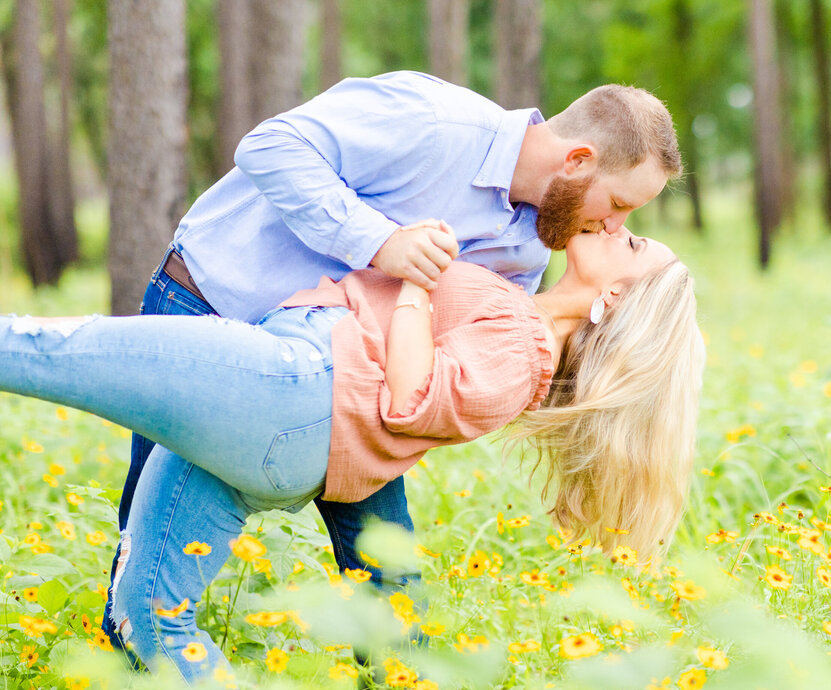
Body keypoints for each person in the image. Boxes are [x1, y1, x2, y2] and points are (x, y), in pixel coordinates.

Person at [112, 71, 682, 653]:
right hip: (215, 302)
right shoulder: (433, 122)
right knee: (149, 540)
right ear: (579, 160)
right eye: (616, 205)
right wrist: (382, 243)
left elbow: (459, 350)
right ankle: (130, 681)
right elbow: (268, 148)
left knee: (385, 562)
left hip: (345, 384)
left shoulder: (535, 241)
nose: (614, 227)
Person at [0, 228, 704, 690]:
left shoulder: (524, 353)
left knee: (46, 349)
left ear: (614, 297)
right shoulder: (522, 308)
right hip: (285, 409)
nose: (618, 225)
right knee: (148, 612)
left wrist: (419, 286)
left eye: (633, 241)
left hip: (293, 391)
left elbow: (410, 396)